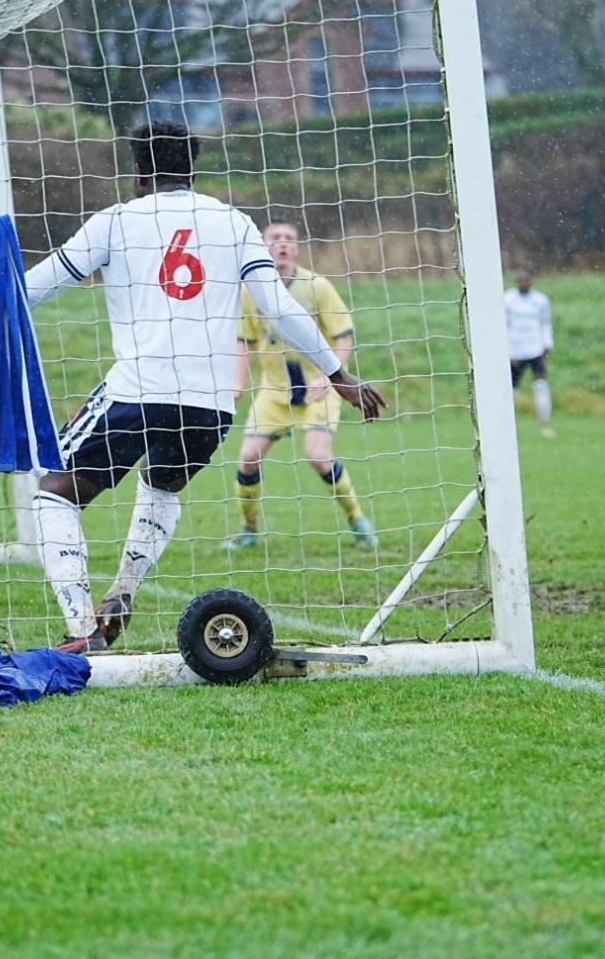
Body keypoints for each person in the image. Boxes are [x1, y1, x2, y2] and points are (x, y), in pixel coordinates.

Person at [22, 122, 387, 654]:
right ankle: (122, 592)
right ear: (192, 170)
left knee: (52, 491)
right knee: (161, 486)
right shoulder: (235, 222)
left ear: (139, 173)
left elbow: (35, 287)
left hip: (137, 390)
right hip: (210, 404)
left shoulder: (115, 221)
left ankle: (82, 630)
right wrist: (339, 375)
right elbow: (279, 306)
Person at [224, 219, 375, 550]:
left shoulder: (316, 286)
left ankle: (357, 519)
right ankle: (248, 530)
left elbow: (343, 336)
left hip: (317, 389)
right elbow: (244, 341)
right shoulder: (250, 291)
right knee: (248, 458)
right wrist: (237, 383)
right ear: (264, 245)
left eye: (289, 238)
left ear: (297, 247)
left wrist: (330, 375)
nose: (282, 243)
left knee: (318, 456)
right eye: (275, 237)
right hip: (273, 392)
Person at [504, 267, 555, 437]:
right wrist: (508, 351)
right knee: (512, 389)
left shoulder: (541, 300)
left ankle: (545, 424)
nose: (523, 283)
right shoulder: (508, 299)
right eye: (520, 280)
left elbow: (545, 323)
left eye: (526, 280)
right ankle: (509, 425)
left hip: (536, 349)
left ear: (531, 281)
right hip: (515, 351)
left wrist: (547, 346)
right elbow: (505, 327)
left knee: (541, 385)